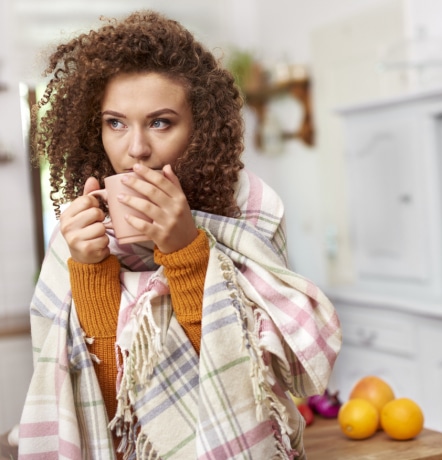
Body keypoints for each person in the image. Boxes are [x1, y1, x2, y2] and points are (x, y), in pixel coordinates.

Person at [16, 9, 341, 459]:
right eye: (115, 122)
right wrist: (90, 270)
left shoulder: (253, 212)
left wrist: (186, 251)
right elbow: (106, 408)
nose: (136, 149)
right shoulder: (78, 231)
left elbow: (244, 386)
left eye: (160, 122)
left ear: (199, 130)